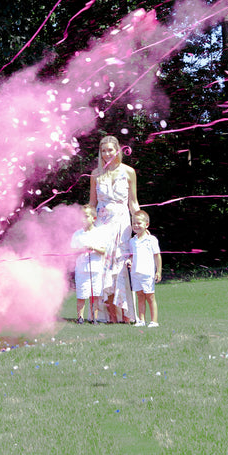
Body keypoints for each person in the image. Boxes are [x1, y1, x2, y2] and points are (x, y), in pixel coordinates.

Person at [88, 135, 140, 323]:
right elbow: (92, 204)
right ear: (100, 153)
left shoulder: (129, 172)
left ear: (118, 150)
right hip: (102, 223)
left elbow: (133, 203)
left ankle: (125, 313)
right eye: (103, 150)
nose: (107, 153)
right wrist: (88, 225)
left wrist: (140, 223)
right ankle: (108, 315)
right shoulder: (96, 174)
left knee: (120, 265)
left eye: (110, 149)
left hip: (122, 222)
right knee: (103, 267)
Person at [70, 205, 107, 323]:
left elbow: (103, 251)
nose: (83, 219)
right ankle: (80, 317)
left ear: (94, 218)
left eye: (86, 216)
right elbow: (72, 251)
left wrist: (93, 248)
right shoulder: (77, 234)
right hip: (81, 269)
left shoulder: (99, 233)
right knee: (81, 295)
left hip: (96, 269)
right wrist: (81, 250)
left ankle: (93, 317)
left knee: (94, 295)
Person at [125, 210, 162, 327]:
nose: (136, 226)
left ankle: (154, 321)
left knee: (150, 297)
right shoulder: (132, 241)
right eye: (133, 223)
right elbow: (132, 255)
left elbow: (157, 256)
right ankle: (141, 320)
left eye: (139, 223)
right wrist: (129, 261)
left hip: (147, 273)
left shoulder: (151, 240)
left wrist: (158, 271)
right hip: (135, 273)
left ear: (146, 224)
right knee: (140, 296)